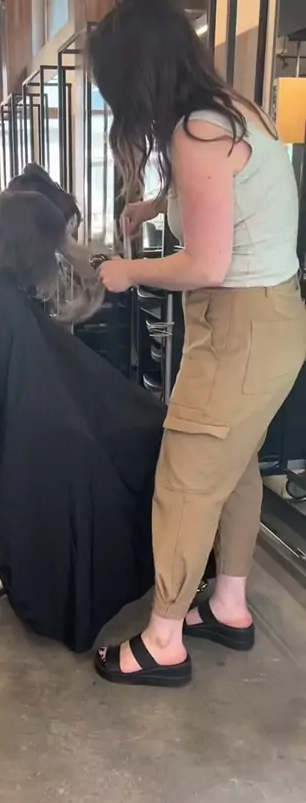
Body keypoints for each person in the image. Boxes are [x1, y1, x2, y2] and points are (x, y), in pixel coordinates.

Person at [87, 0, 306, 686]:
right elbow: (226, 197)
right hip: (265, 322)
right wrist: (156, 205)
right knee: (233, 468)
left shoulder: (196, 131)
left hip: (241, 327)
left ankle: (163, 641)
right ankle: (229, 606)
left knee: (183, 480)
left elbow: (207, 264)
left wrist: (127, 272)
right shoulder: (228, 109)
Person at [0, 189, 166, 652]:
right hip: (5, 450)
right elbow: (44, 408)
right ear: (35, 246)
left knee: (120, 427)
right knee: (122, 449)